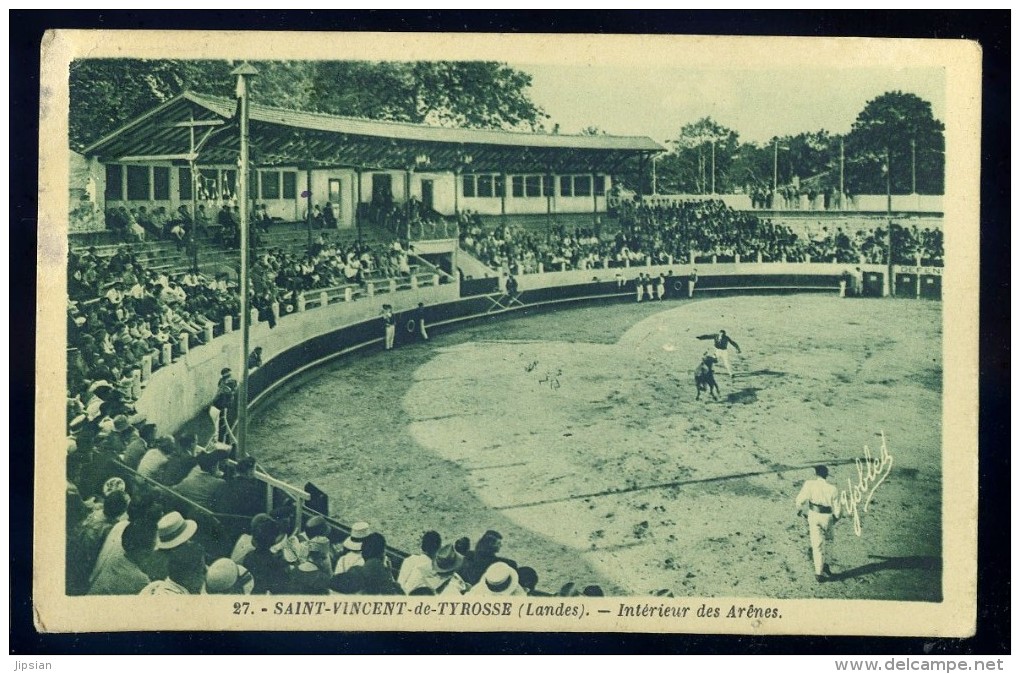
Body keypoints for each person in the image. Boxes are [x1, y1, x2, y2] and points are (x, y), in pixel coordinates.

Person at [795, 465, 842, 582]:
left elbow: (800, 500)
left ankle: (818, 572)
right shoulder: (833, 489)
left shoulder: (809, 484)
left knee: (817, 544)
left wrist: (799, 510)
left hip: (814, 516)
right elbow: (838, 510)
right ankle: (826, 564)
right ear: (826, 475)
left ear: (816, 474)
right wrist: (835, 518)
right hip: (828, 517)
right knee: (830, 541)